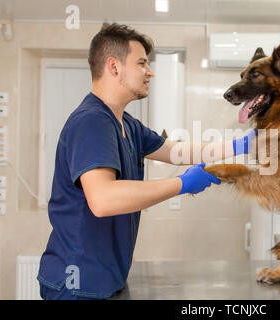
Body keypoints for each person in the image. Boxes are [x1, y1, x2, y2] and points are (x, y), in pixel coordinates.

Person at [37, 23, 255, 300]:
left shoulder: (126, 123)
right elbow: (103, 199)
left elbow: (179, 151)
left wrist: (242, 144)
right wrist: (183, 184)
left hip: (105, 277)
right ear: (114, 67)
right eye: (142, 63)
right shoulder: (92, 121)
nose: (150, 72)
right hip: (77, 284)